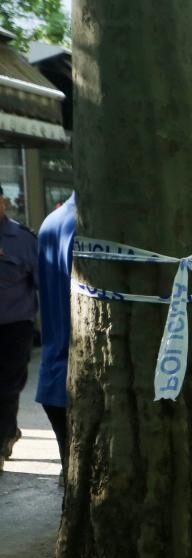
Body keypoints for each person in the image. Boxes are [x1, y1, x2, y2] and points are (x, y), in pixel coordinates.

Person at [0, 183, 38, 477]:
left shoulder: (22, 239)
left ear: (3, 204)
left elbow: (40, 282)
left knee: (7, 388)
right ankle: (8, 432)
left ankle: (3, 440)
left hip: (13, 327)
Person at [34, 193, 73, 469]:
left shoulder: (51, 222)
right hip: (82, 376)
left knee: (72, 467)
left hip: (53, 374)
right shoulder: (88, 225)